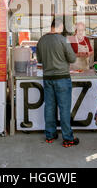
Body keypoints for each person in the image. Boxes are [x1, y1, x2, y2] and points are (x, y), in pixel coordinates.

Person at [36, 17, 79, 147]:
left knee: (49, 106)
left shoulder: (42, 40)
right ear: (60, 27)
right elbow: (72, 59)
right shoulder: (63, 40)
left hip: (48, 78)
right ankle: (67, 138)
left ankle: (50, 135)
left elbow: (40, 59)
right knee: (64, 108)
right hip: (62, 78)